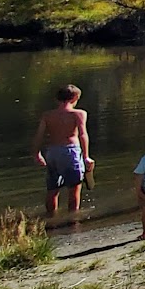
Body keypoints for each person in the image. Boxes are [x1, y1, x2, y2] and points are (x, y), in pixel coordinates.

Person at [31, 84, 92, 219]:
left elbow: (39, 135)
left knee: (52, 189)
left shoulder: (47, 115)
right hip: (70, 152)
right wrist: (86, 156)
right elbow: (83, 135)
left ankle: (50, 219)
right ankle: (72, 219)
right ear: (75, 98)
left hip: (52, 152)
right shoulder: (79, 114)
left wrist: (36, 153)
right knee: (74, 188)